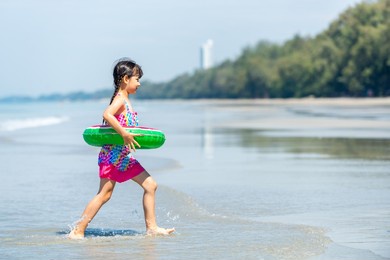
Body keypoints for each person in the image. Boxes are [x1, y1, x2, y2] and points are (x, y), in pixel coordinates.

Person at [68, 58, 175, 239]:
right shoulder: (120, 100)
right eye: (137, 79)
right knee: (104, 194)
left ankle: (152, 228)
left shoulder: (126, 100)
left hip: (123, 156)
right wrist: (124, 134)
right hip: (112, 156)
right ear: (126, 79)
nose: (139, 83)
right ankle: (78, 230)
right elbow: (107, 115)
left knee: (150, 185)